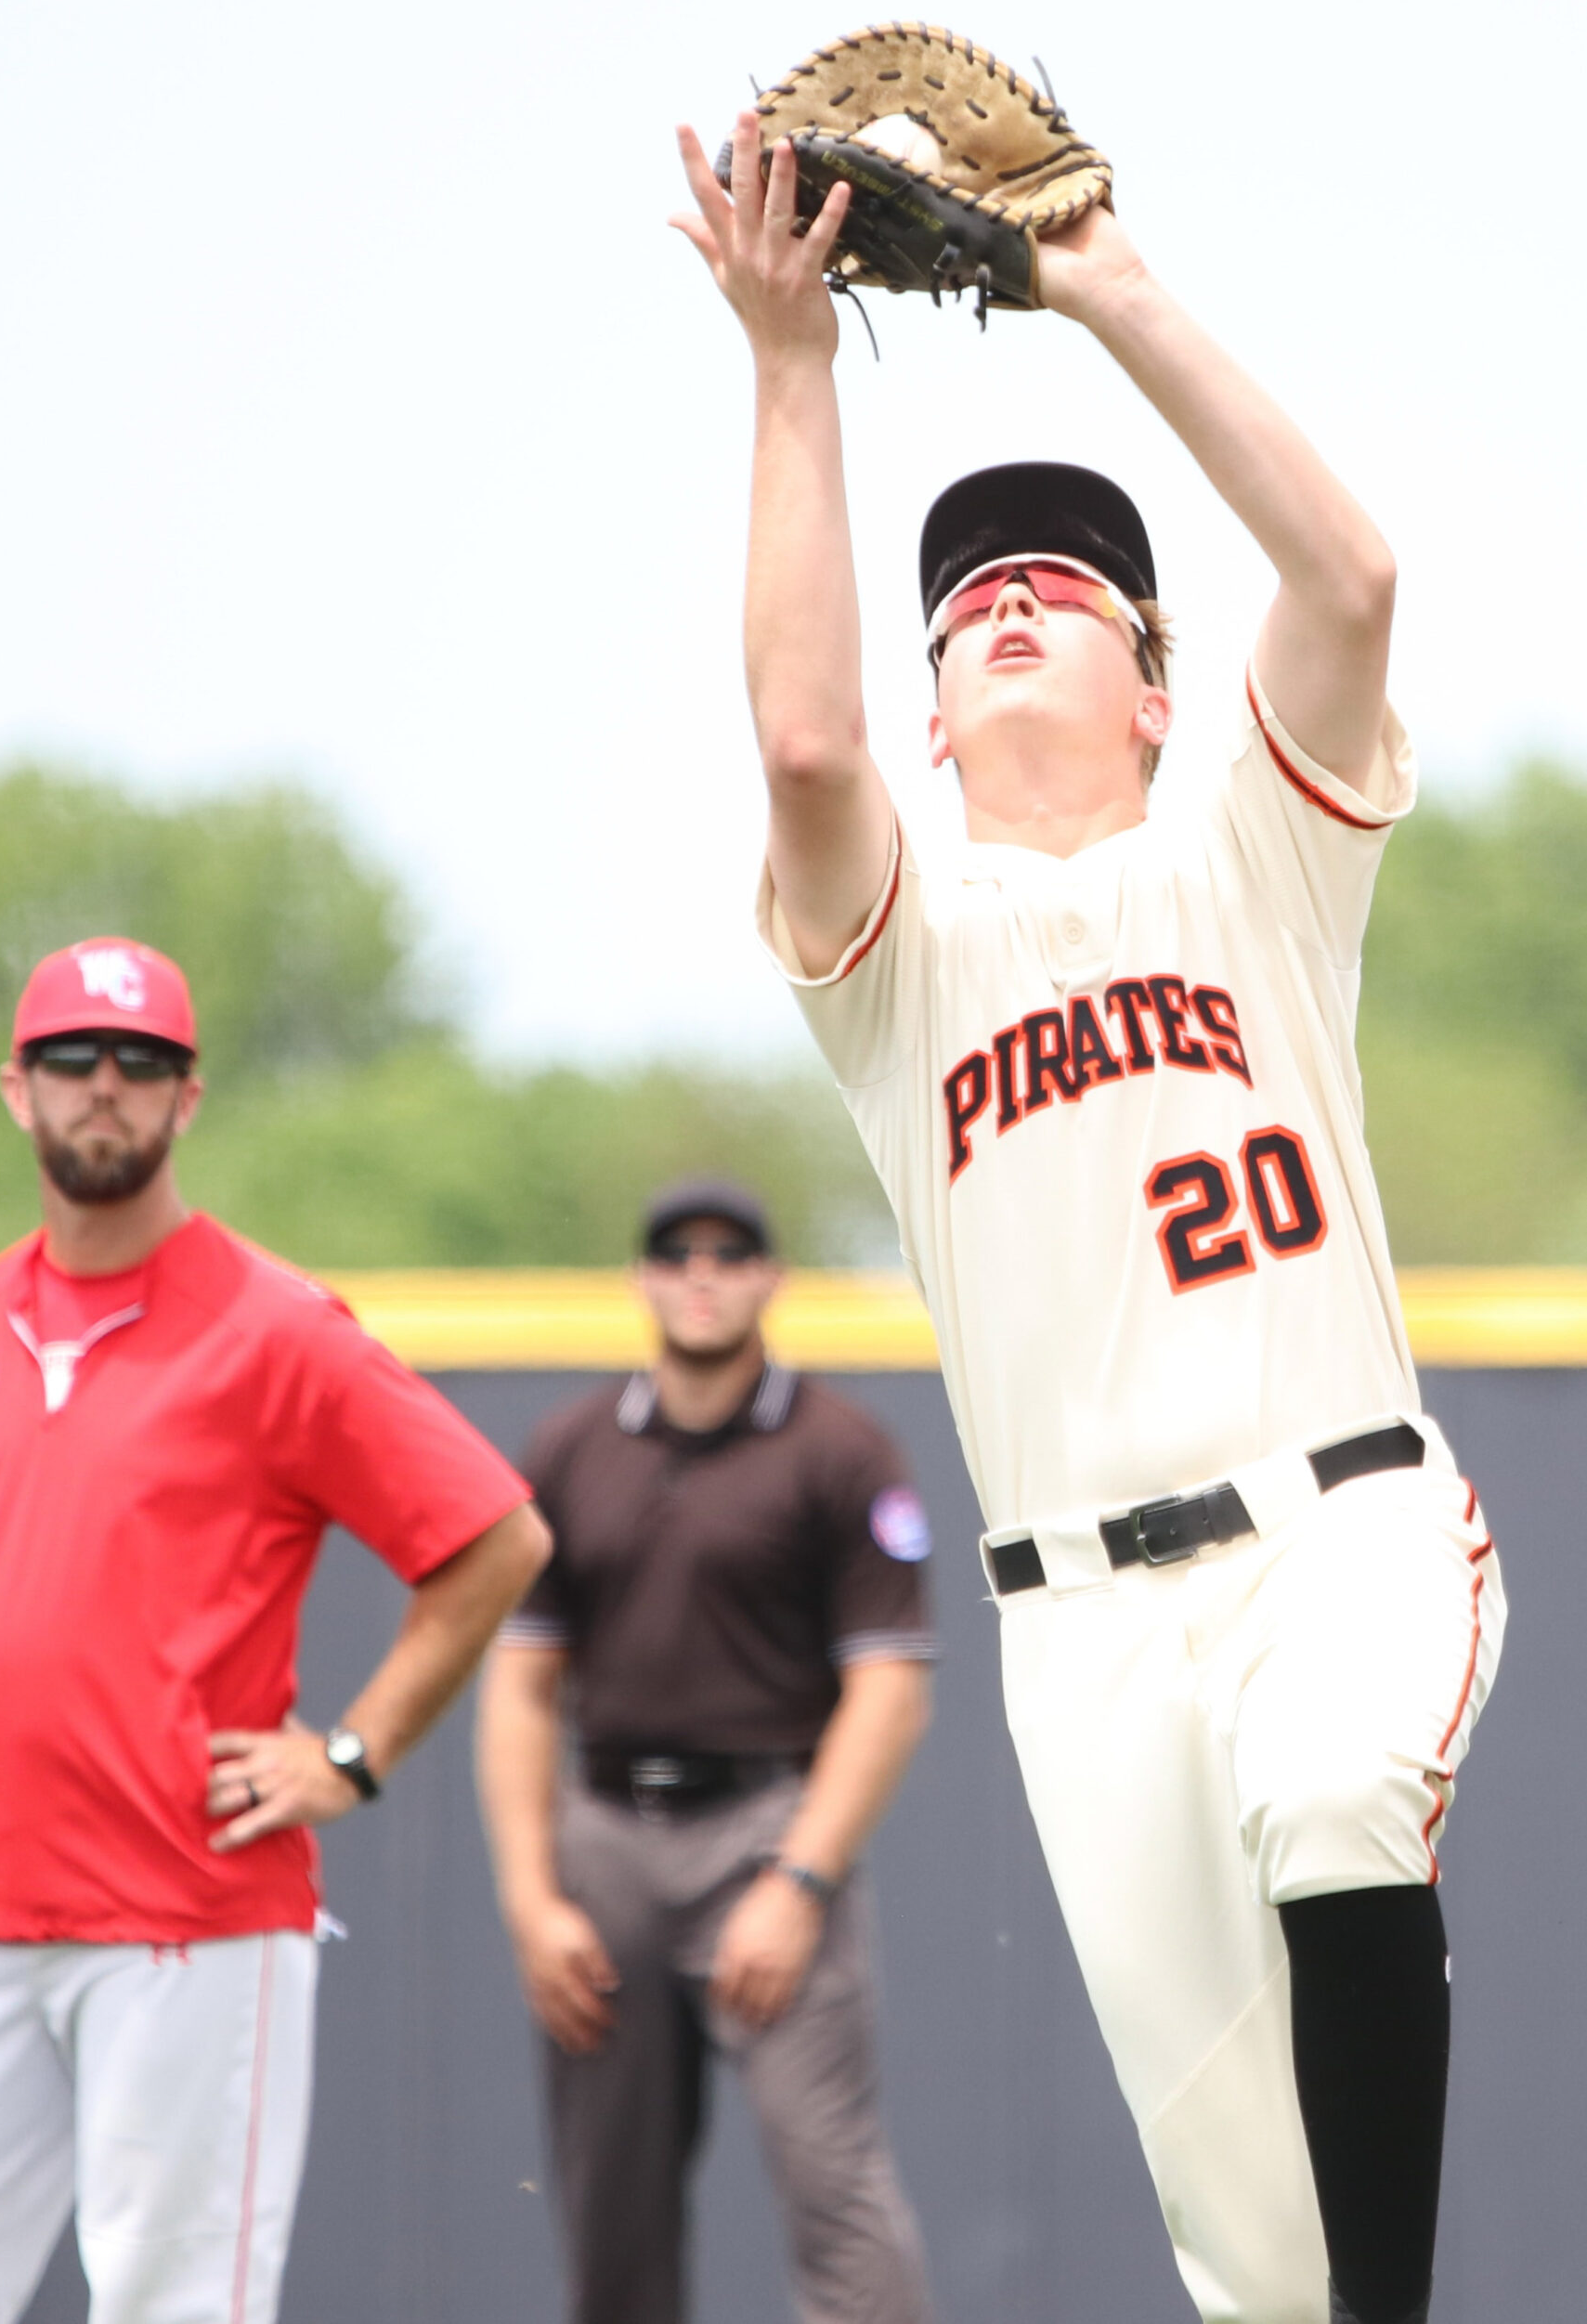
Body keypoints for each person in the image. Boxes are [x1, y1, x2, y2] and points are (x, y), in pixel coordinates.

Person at [670, 114, 1507, 2324]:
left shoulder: (1252, 859)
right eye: (964, 607)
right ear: (934, 727)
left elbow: (1348, 582)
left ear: (1156, 687)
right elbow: (799, 740)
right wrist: (786, 363)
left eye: (1064, 586)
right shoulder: (899, 968)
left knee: (1338, 1784)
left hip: (1338, 1521)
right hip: (1078, 1636)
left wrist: (1103, 286)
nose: (1006, 598)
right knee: (1257, 2262)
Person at [0, 934, 550, 2324]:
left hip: (187, 1913)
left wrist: (351, 1754)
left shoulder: (275, 1326)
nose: (104, 1084)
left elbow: (495, 1537)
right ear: (17, 1087)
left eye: (141, 1059)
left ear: (188, 1096)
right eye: (71, 1057)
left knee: (175, 2305)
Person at [476, 1177, 937, 2324]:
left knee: (835, 2187)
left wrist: (799, 1882)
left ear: (770, 1278)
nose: (702, 1275)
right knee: (611, 2209)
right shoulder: (573, 1446)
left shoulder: (838, 1449)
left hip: (767, 1829)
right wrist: (531, 1898)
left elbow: (889, 1688)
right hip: (606, 1835)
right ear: (642, 1277)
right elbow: (521, 1685)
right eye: (677, 1254)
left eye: (730, 1254)